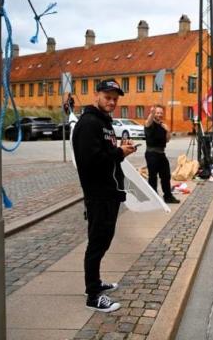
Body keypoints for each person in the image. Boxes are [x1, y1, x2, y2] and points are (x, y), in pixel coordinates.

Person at [72, 78, 136, 313]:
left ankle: (96, 282)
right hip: (98, 193)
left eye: (115, 99)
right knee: (97, 244)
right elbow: (90, 161)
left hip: (109, 191)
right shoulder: (89, 123)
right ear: (96, 95)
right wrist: (119, 151)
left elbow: (106, 152)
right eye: (107, 97)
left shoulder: (105, 123)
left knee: (103, 241)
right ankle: (93, 295)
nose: (111, 102)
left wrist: (121, 150)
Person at [144, 105, 180, 204]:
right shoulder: (150, 124)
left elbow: (167, 140)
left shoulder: (162, 125)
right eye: (157, 113)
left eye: (161, 113)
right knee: (153, 177)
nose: (159, 115)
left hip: (161, 153)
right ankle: (153, 198)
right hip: (151, 153)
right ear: (154, 113)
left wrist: (168, 131)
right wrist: (151, 113)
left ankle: (168, 196)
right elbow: (148, 122)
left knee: (166, 175)